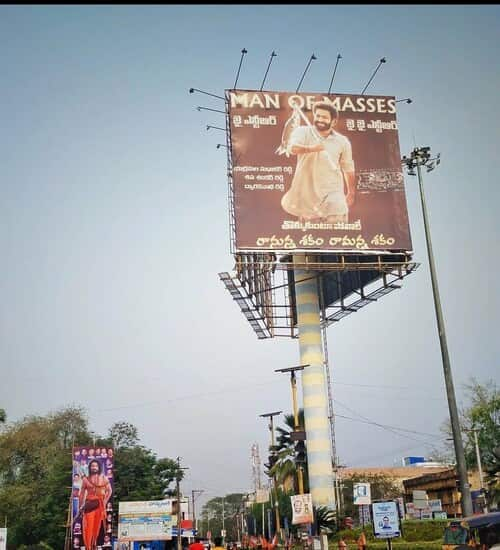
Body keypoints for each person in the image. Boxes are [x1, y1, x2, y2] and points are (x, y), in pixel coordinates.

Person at [281, 101, 355, 224]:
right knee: (312, 241)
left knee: (341, 239)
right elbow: (291, 147)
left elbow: (348, 168)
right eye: (318, 116)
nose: (320, 119)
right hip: (309, 203)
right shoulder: (303, 132)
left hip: (334, 199)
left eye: (324, 117)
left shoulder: (342, 141)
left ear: (334, 121)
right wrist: (312, 149)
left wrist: (351, 192)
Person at [78, 458, 113, 550]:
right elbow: (81, 494)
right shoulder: (86, 480)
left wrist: (105, 501)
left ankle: (94, 545)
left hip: (100, 506)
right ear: (90, 468)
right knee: (88, 527)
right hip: (89, 505)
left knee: (97, 528)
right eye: (92, 466)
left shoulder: (104, 478)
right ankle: (88, 547)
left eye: (96, 466)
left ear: (99, 467)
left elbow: (109, 490)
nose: (94, 468)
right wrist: (80, 507)